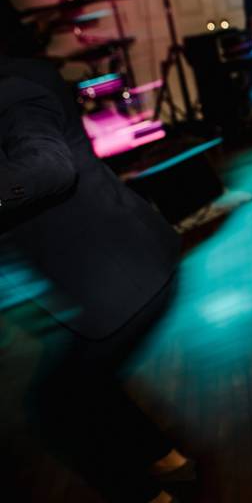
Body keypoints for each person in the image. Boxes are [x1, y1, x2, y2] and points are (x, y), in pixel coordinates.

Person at [0, 57, 191, 503]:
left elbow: (48, 167)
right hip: (116, 269)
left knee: (53, 408)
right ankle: (166, 459)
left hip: (124, 280)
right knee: (88, 384)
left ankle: (145, 494)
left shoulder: (11, 92)